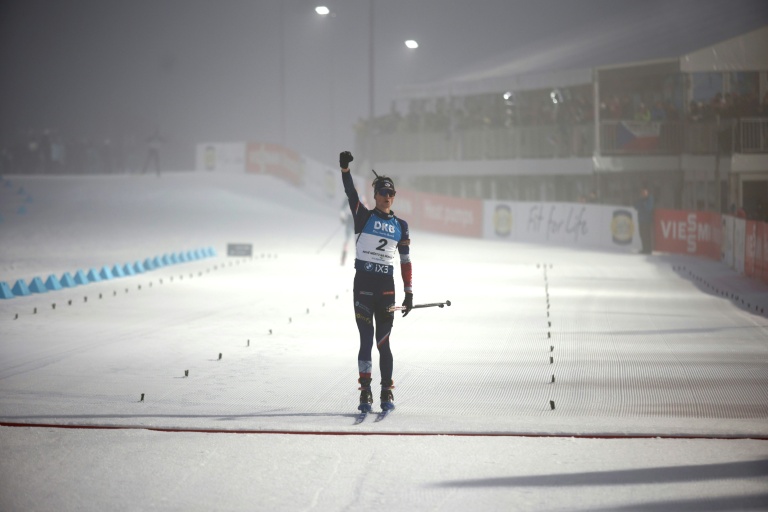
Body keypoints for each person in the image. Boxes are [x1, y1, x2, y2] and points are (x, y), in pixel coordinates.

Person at [339, 150, 412, 413]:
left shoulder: (401, 226)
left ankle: (386, 392)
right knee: (366, 341)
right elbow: (350, 195)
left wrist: (410, 293)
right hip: (363, 289)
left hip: (387, 291)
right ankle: (365, 392)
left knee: (384, 342)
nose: (388, 197)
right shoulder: (363, 216)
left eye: (391, 194)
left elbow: (405, 261)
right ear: (376, 196)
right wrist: (345, 171)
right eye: (383, 193)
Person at [635, 185, 655, 255]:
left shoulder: (650, 199)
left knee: (647, 235)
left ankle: (648, 249)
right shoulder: (641, 199)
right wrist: (641, 203)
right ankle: (644, 248)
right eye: (642, 192)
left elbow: (648, 208)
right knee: (642, 234)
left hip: (647, 220)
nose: (643, 193)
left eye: (644, 192)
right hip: (641, 220)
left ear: (647, 192)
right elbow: (636, 206)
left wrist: (643, 204)